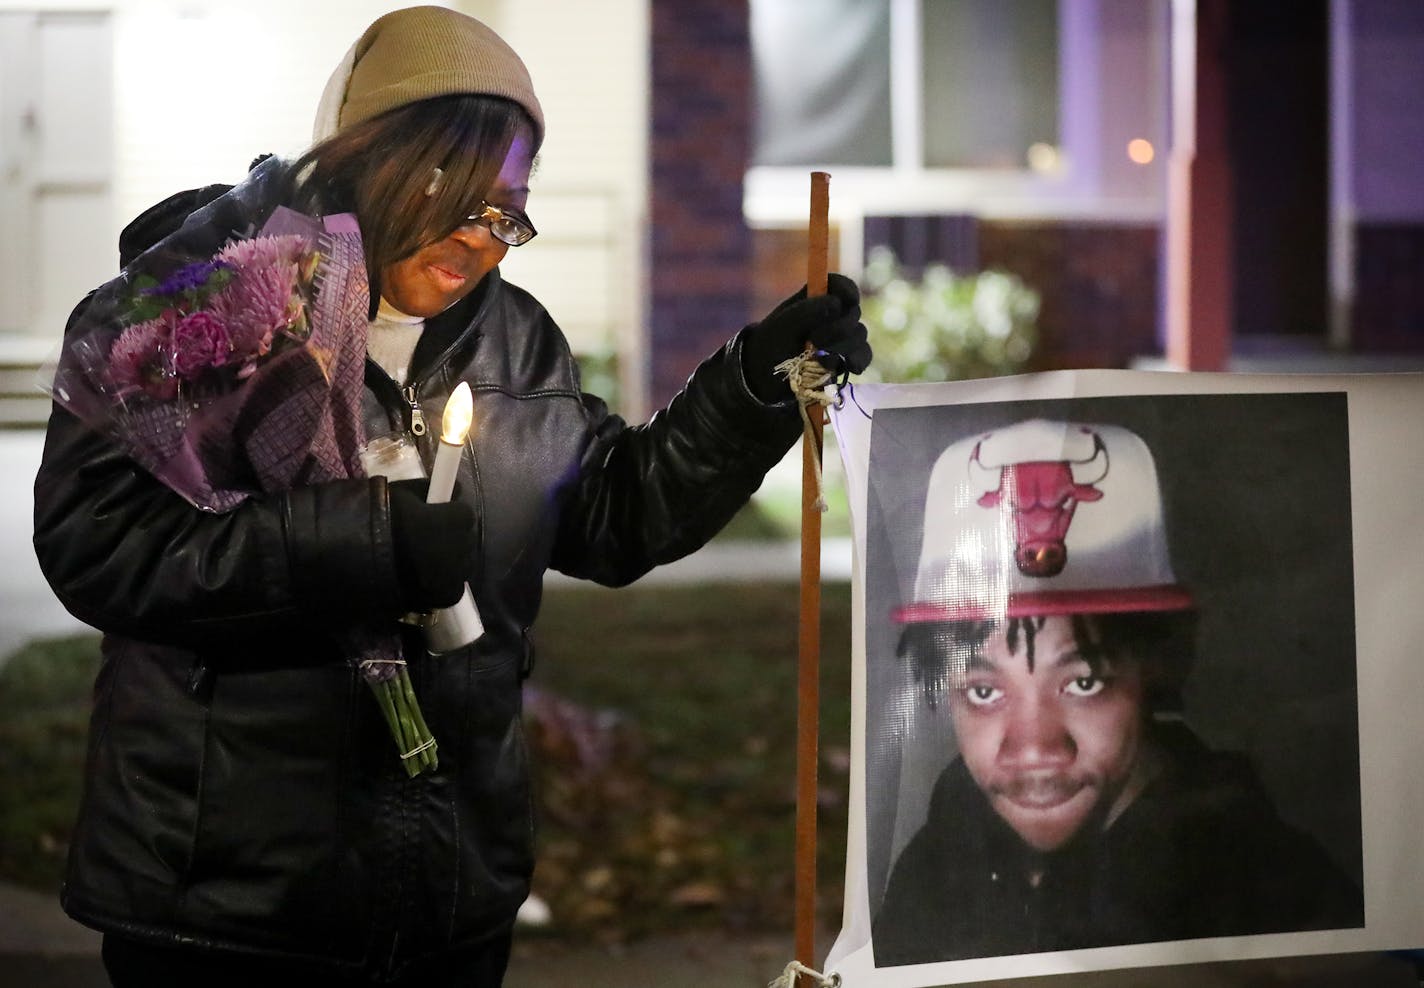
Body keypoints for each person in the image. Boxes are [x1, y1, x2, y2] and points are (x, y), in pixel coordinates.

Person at [31, 7, 870, 987]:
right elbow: (98, 538)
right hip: (229, 907)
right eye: (461, 195)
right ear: (373, 162)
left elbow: (615, 511)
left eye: (505, 208)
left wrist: (755, 384)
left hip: (444, 900)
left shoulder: (512, 341)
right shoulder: (209, 312)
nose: (484, 238)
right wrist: (364, 544)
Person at [870, 418, 1363, 967]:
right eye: (984, 691)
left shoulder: (1280, 898)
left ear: (1158, 667)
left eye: (1084, 683)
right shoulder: (928, 875)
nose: (1034, 749)